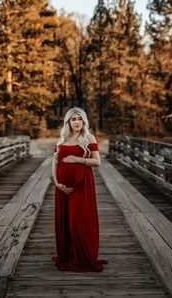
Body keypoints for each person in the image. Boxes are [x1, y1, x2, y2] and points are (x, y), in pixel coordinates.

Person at [51, 107, 108, 272]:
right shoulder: (62, 139)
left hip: (82, 186)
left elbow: (97, 161)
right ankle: (68, 254)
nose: (77, 122)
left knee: (79, 221)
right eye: (73, 119)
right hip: (63, 188)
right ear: (68, 121)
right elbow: (54, 162)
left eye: (79, 119)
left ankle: (83, 256)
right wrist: (56, 183)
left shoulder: (88, 137)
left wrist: (77, 159)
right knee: (65, 221)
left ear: (84, 121)